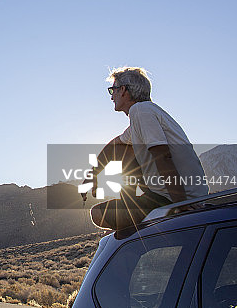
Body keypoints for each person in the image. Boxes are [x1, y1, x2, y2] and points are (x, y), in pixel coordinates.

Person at [85, 67, 209, 230]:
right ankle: (133, 207)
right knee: (124, 149)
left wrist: (182, 204)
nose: (111, 97)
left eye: (112, 90)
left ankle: (137, 239)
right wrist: (94, 173)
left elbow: (162, 156)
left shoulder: (141, 111)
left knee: (98, 214)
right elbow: (115, 145)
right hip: (174, 193)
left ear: (123, 90)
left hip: (175, 197)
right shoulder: (144, 114)